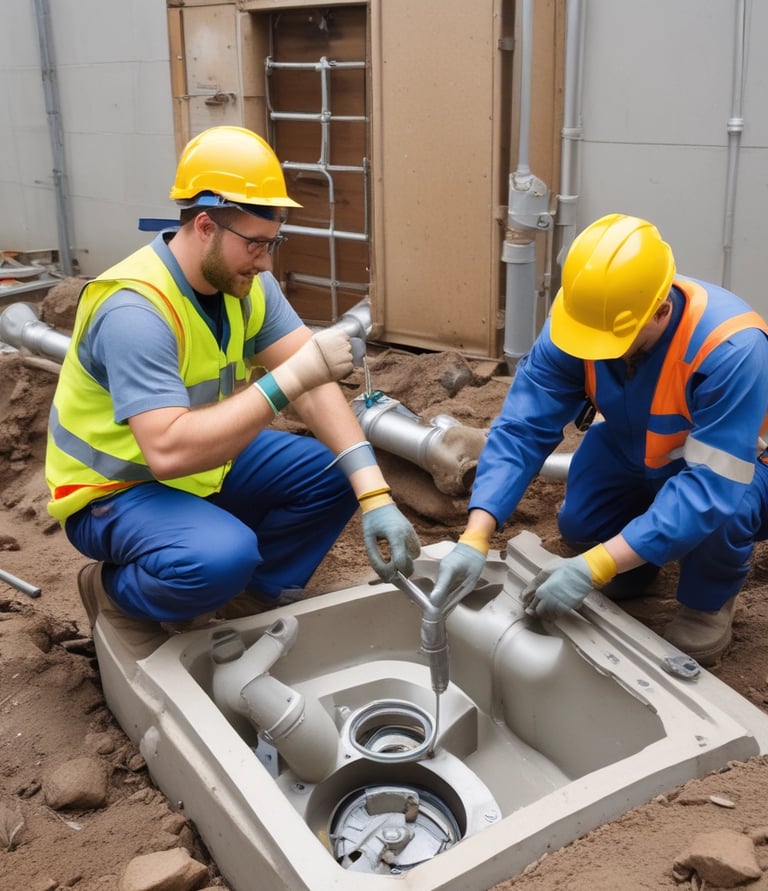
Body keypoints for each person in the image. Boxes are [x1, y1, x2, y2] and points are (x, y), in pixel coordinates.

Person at [45, 125, 420, 634]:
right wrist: (287, 380)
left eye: (274, 241)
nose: (266, 261)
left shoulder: (246, 286)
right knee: (220, 557)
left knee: (337, 470)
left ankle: (249, 601)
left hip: (199, 467)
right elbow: (168, 451)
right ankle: (114, 589)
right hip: (115, 490)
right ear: (205, 226)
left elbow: (313, 386)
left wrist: (374, 494)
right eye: (256, 244)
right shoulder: (135, 311)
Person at [430, 213, 768, 666]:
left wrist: (597, 566)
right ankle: (638, 560)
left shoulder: (731, 350)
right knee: (581, 524)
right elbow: (522, 429)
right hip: (634, 442)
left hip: (736, 468)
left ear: (661, 312)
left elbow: (712, 485)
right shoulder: (583, 319)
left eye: (610, 342)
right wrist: (477, 533)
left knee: (724, 513)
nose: (591, 350)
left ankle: (707, 601)